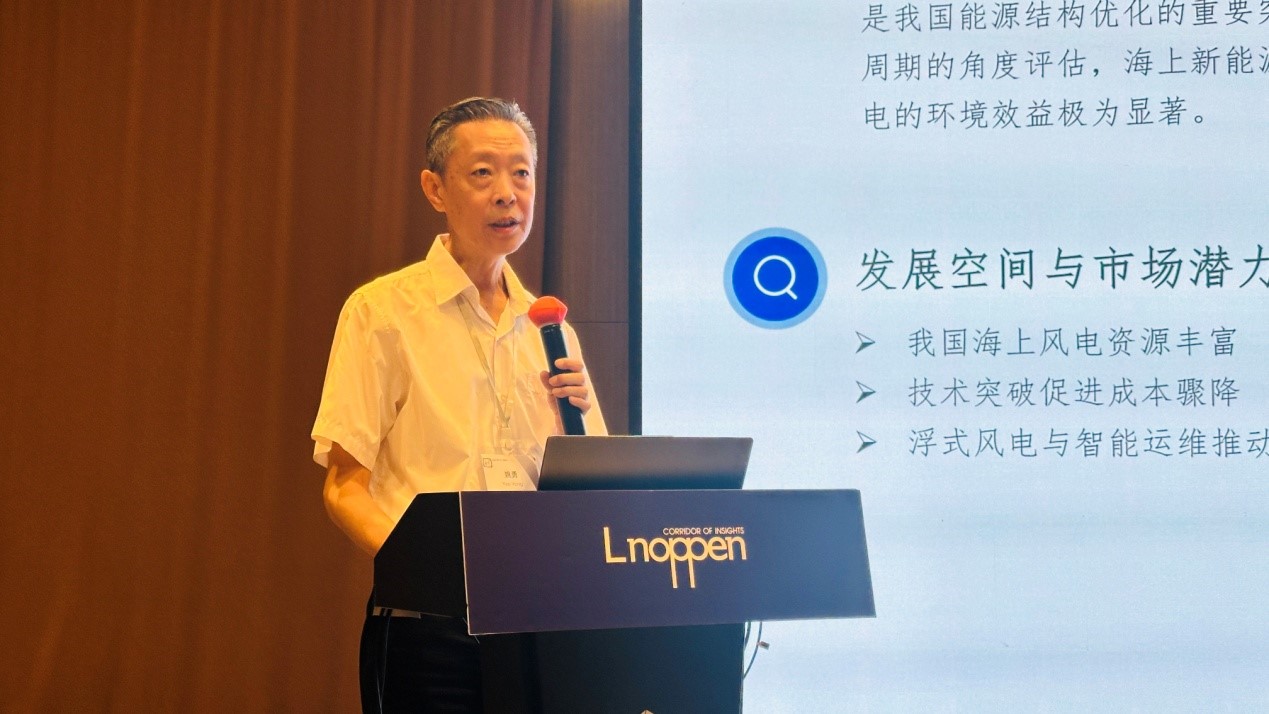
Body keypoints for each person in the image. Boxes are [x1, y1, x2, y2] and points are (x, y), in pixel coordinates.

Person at [311, 97, 607, 713]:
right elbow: (344, 486)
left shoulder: (550, 329)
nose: (507, 193)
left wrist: (580, 434)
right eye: (483, 173)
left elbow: (591, 496)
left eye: (522, 173)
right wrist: (433, 574)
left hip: (540, 621)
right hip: (429, 630)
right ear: (435, 188)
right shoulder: (382, 313)